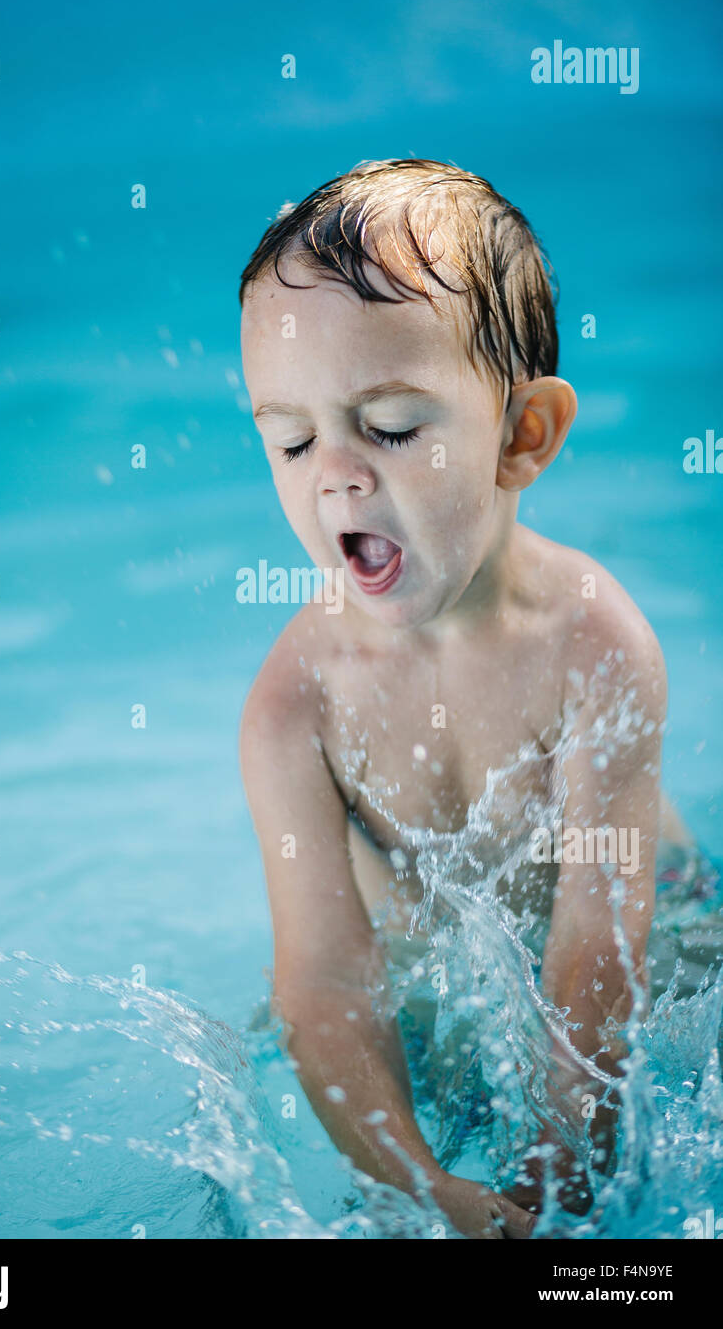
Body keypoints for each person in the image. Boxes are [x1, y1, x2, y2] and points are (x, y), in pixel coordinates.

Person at [237, 159, 670, 1238]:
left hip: (666, 926)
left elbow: (596, 941)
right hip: (434, 981)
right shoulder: (293, 710)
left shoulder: (591, 644)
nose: (330, 474)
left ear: (520, 437)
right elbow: (327, 981)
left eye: (385, 424)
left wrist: (560, 1163)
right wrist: (421, 1188)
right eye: (290, 439)